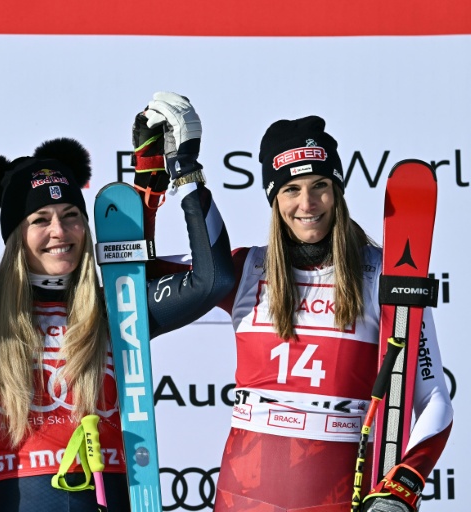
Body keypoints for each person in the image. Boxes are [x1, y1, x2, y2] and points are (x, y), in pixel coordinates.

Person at [0, 9, 235, 510]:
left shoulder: (116, 307)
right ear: (15, 236)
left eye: (70, 216)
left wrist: (184, 171)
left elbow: (213, 281)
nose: (59, 231)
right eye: (40, 220)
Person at [147, 110, 453, 511]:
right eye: (291, 189)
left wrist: (402, 487)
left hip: (339, 495)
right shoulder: (245, 269)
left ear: (337, 190)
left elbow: (435, 400)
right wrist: (159, 177)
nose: (307, 204)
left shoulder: (385, 274)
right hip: (242, 496)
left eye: (319, 185)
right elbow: (135, 276)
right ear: (274, 199)